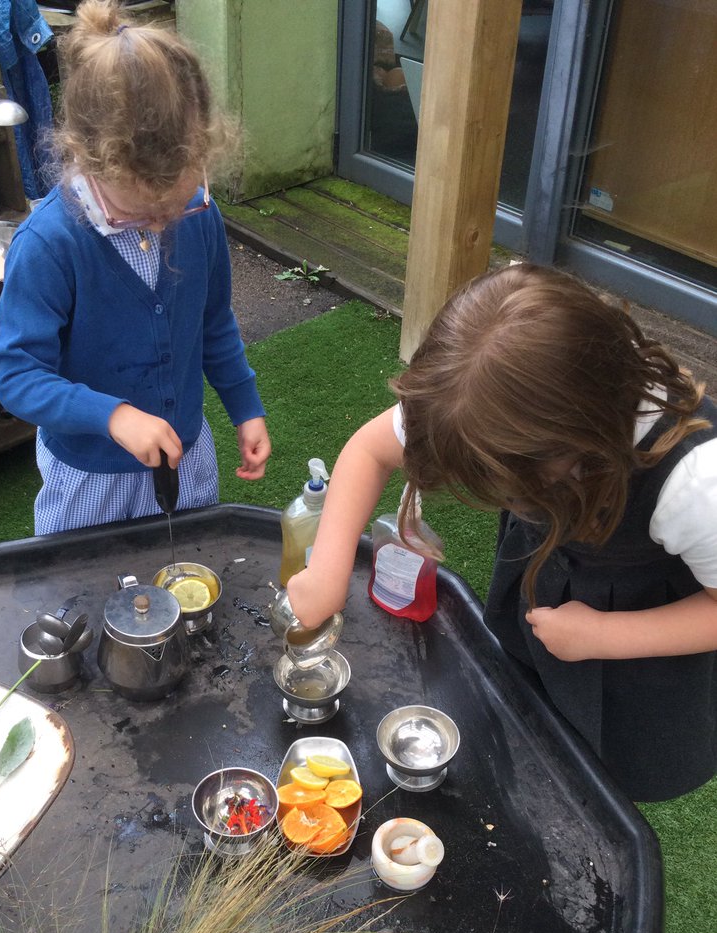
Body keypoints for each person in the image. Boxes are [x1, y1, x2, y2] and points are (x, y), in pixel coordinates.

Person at [287, 263, 717, 803]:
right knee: (521, 713)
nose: (507, 504)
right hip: (547, 594)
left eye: (514, 491)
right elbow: (369, 450)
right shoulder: (479, 397)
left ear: (580, 441)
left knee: (595, 785)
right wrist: (328, 570)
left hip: (638, 651)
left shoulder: (695, 482)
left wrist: (603, 635)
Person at [0, 0, 270, 535]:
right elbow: (17, 375)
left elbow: (214, 324)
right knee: (85, 603)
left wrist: (245, 405)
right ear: (91, 162)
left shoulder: (199, 216)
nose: (163, 224)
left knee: (186, 585)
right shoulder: (49, 243)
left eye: (177, 203)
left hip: (186, 459)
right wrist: (113, 416)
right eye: (141, 211)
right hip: (90, 477)